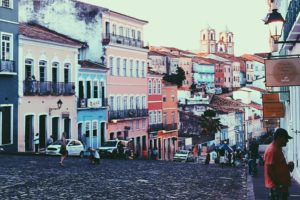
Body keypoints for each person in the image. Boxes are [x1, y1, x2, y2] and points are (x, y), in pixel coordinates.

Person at [264, 128, 294, 200]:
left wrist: (287, 167)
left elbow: (276, 167)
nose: (287, 141)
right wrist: (279, 185)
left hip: (280, 186)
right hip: (277, 188)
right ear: (279, 137)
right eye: (286, 138)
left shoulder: (277, 148)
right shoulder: (272, 150)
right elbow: (270, 170)